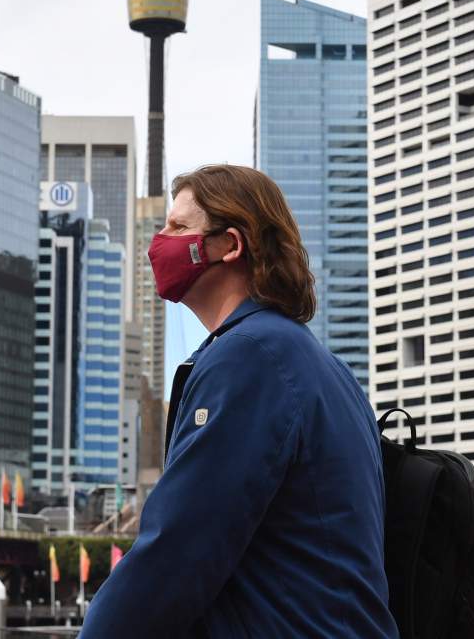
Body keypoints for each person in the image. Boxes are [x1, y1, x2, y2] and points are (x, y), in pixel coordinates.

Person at [80, 165, 397, 638]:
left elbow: (178, 550)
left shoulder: (250, 357)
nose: (158, 242)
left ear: (230, 245)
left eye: (179, 227)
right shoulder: (320, 364)